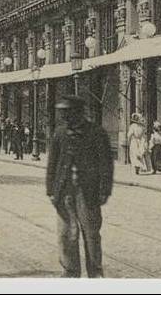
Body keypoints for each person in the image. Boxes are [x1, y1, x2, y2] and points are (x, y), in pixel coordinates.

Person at [46, 95, 114, 278]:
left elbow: (106, 164)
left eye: (67, 112)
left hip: (88, 192)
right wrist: (50, 190)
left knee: (91, 234)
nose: (64, 116)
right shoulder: (59, 133)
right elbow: (52, 164)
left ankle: (95, 271)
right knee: (66, 234)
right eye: (62, 113)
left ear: (78, 113)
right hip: (64, 191)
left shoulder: (96, 133)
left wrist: (104, 190)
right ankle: (70, 270)